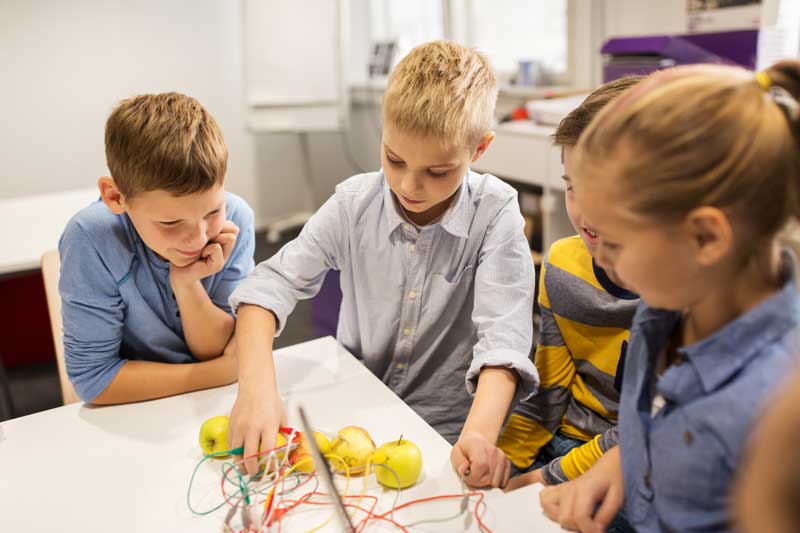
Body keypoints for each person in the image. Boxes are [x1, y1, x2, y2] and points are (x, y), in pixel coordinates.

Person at [227, 40, 538, 488]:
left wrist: (479, 435)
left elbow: (503, 341)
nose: (410, 185)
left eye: (438, 171)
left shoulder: (495, 213)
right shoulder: (355, 203)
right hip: (357, 409)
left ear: (480, 149)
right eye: (394, 159)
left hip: (448, 430)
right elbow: (267, 288)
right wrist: (255, 390)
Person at [540, 61, 800, 532]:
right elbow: (657, 426)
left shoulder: (778, 410)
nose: (597, 251)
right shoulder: (665, 307)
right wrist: (620, 462)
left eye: (615, 243)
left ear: (704, 238)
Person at [59, 92, 254, 404]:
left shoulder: (236, 217)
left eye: (211, 212)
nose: (199, 238)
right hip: (135, 411)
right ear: (115, 197)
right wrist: (221, 372)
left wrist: (187, 283)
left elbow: (216, 348)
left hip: (214, 403)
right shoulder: (90, 237)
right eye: (170, 222)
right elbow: (94, 379)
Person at [499, 76, 642, 492]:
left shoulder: (681, 296)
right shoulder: (562, 265)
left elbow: (640, 433)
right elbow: (548, 391)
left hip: (630, 464)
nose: (583, 212)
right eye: (571, 187)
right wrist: (507, 461)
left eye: (602, 189)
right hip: (561, 442)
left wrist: (545, 480)